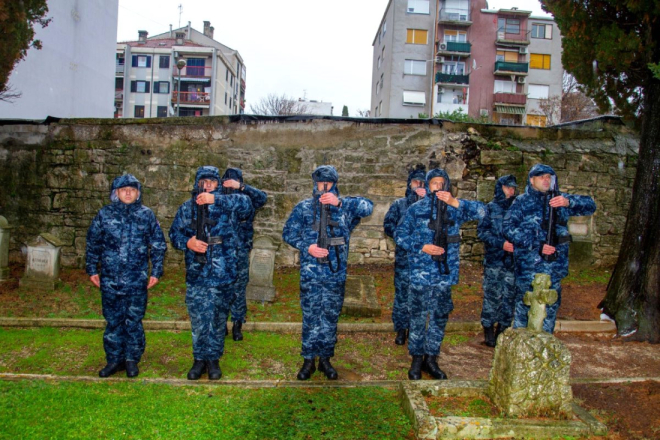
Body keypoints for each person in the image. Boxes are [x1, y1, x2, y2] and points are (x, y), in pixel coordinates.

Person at [282, 165, 373, 381]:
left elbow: (367, 207)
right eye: (320, 182)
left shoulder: (346, 207)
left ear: (334, 184)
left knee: (330, 316)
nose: (324, 187)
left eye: (328, 183)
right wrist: (308, 246)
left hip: (335, 273)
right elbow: (288, 232)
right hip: (311, 274)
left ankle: (325, 359)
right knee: (311, 316)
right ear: (314, 183)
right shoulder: (304, 207)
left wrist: (340, 202)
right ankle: (308, 360)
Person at [395, 168, 485, 380]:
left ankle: (431, 358)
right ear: (427, 186)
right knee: (417, 317)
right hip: (420, 274)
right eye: (434, 183)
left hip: (444, 274)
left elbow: (483, 212)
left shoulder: (455, 209)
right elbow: (400, 234)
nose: (438, 186)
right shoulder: (416, 209)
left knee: (439, 317)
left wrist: (456, 203)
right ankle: (416, 360)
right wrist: (421, 246)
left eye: (441, 183)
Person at [169, 166, 252, 380]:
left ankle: (213, 360)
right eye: (203, 182)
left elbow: (247, 205)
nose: (207, 186)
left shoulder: (228, 205)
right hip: (197, 273)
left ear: (218, 184)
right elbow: (174, 233)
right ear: (197, 183)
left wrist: (216, 200)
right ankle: (199, 360)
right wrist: (188, 242)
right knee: (198, 319)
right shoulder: (188, 208)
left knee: (217, 318)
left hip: (223, 272)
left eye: (212, 182)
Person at [85, 174, 167, 378]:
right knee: (113, 321)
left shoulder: (146, 215)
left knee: (133, 321)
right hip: (111, 279)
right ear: (116, 193)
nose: (128, 193)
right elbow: (93, 242)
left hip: (136, 280)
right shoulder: (104, 215)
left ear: (138, 193)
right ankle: (114, 360)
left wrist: (156, 271)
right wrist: (92, 269)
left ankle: (131, 359)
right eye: (123, 190)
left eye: (132, 189)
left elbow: (158, 244)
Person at [503, 164, 596, 333]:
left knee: (549, 311)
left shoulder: (559, 200)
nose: (546, 180)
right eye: (541, 177)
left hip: (554, 267)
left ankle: (543, 350)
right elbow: (508, 228)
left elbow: (590, 205)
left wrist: (568, 202)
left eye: (549, 177)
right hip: (528, 267)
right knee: (524, 310)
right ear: (532, 180)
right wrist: (536, 245)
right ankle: (519, 352)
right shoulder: (522, 202)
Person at [221, 167, 267, 342]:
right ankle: (222, 323)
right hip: (221, 252)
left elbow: (262, 198)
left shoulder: (247, 199)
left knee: (239, 289)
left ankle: (237, 325)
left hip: (240, 251)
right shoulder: (219, 197)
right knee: (222, 288)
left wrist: (242, 187)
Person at [383, 164, 426, 346]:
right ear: (409, 184)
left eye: (423, 182)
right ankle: (401, 330)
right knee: (402, 296)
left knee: (421, 297)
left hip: (424, 261)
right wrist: (402, 238)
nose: (419, 185)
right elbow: (388, 226)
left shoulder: (432, 206)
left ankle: (417, 331)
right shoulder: (399, 205)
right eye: (416, 182)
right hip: (405, 260)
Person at [477, 174, 518, 347]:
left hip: (512, 262)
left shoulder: (518, 209)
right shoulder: (490, 208)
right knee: (492, 296)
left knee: (509, 297)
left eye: (513, 188)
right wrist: (501, 244)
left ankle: (502, 329)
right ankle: (488, 329)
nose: (511, 191)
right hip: (495, 260)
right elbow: (482, 232)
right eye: (507, 187)